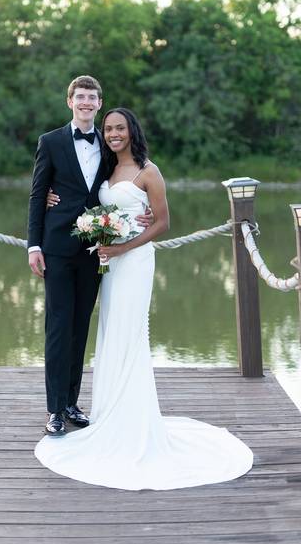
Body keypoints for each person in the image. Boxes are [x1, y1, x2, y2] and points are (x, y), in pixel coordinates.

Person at [34, 107, 254, 489]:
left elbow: (164, 222)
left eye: (120, 128)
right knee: (108, 332)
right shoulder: (104, 163)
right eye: (109, 129)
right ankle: (94, 410)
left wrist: (123, 247)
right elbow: (78, 193)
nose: (114, 134)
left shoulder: (148, 171)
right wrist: (53, 198)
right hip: (105, 262)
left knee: (130, 334)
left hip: (131, 262)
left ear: (132, 131)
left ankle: (131, 419)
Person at [27, 76, 151, 436]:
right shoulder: (50, 142)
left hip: (95, 249)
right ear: (70, 102)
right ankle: (53, 409)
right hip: (56, 248)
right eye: (79, 97)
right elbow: (38, 195)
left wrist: (142, 212)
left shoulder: (110, 143)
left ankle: (70, 403)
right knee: (58, 326)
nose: (85, 102)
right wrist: (33, 245)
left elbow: (127, 182)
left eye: (92, 98)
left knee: (81, 326)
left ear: (99, 104)